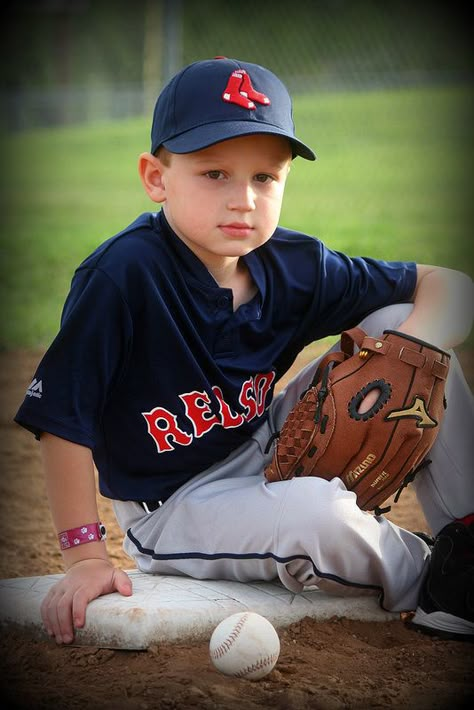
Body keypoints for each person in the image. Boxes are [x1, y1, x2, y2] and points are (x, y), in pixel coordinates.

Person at [15, 57, 474, 646]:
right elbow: (63, 423)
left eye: (265, 177)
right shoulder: (123, 276)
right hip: (175, 505)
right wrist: (83, 558)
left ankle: (468, 529)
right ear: (157, 178)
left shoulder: (293, 264)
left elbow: (451, 286)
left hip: (268, 450)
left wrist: (415, 342)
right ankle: (442, 578)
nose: (244, 200)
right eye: (214, 174)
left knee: (402, 330)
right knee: (316, 515)